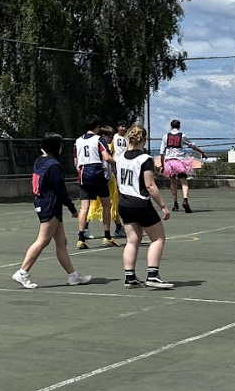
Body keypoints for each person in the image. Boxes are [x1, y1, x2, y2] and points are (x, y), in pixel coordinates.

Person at [13, 132, 90, 289]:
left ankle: (73, 276)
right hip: (50, 205)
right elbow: (60, 191)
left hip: (44, 203)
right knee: (43, 240)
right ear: (55, 147)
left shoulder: (40, 161)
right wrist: (72, 209)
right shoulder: (53, 165)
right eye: (59, 145)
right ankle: (22, 272)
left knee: (61, 242)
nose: (61, 148)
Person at [116, 125, 173, 288]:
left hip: (124, 203)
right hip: (140, 203)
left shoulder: (120, 157)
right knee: (158, 238)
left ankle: (130, 277)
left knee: (132, 240)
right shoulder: (145, 159)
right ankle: (152, 276)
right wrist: (163, 206)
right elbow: (150, 185)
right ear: (144, 139)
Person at [73, 119, 116, 249]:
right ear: (97, 127)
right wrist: (118, 163)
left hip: (82, 173)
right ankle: (107, 236)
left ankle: (81, 238)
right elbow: (106, 157)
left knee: (84, 207)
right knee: (106, 204)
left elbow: (76, 161)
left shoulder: (78, 141)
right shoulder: (99, 139)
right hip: (96, 172)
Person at [158, 119, 208, 212]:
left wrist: (162, 165)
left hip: (169, 163)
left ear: (171, 127)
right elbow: (192, 145)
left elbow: (162, 152)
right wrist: (202, 152)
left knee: (173, 183)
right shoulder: (182, 136)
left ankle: (175, 203)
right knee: (184, 182)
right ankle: (185, 200)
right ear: (179, 127)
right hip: (180, 162)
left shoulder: (165, 136)